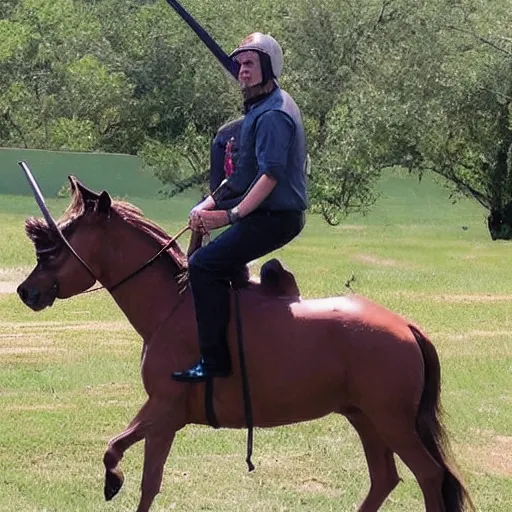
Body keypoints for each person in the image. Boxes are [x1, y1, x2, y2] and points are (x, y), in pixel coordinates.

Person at [172, 32, 308, 383]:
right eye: (240, 65)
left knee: (202, 265)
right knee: (220, 261)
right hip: (263, 212)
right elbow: (242, 175)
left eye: (250, 64)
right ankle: (242, 327)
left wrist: (230, 216)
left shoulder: (274, 114)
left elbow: (270, 176)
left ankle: (215, 362)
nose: (242, 71)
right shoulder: (259, 109)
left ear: (268, 67)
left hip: (276, 217)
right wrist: (207, 204)